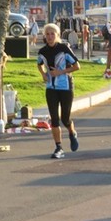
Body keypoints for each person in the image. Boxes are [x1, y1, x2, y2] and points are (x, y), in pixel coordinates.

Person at [36, 23, 80, 159]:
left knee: (65, 118)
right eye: (47, 34)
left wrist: (61, 71)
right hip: (51, 88)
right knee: (54, 119)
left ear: (57, 35)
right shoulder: (42, 51)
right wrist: (43, 74)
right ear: (44, 36)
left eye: (52, 34)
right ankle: (58, 147)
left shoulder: (63, 49)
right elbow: (39, 64)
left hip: (66, 87)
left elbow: (77, 66)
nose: (50, 36)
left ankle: (72, 132)